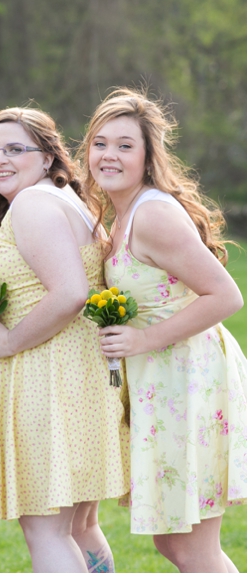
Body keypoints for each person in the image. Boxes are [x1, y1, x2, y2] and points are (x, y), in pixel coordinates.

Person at [80, 88, 246, 572]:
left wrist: (144, 339)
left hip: (189, 380)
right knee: (173, 545)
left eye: (125, 145)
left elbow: (226, 296)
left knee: (192, 548)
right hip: (162, 382)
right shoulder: (123, 211)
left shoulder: (152, 213)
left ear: (148, 157)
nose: (109, 155)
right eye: (100, 143)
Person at [0, 107, 128, 572]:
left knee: (45, 530)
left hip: (48, 379)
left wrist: (10, 342)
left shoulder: (34, 204)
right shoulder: (64, 199)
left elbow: (72, 293)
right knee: (76, 527)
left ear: (47, 156)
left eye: (15, 149)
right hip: (78, 375)